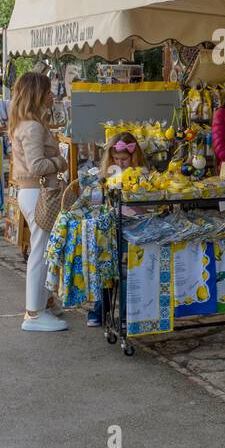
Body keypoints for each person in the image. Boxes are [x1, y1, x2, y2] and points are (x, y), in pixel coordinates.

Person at [9, 72, 69, 333]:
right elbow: (37, 166)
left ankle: (43, 302)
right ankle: (34, 313)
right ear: (37, 94)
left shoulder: (26, 122)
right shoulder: (32, 126)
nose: (52, 95)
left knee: (43, 249)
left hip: (32, 192)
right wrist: (61, 162)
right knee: (41, 251)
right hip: (39, 192)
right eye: (47, 91)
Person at [91, 132, 148, 327]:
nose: (121, 163)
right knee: (106, 269)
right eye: (116, 159)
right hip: (112, 224)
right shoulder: (108, 174)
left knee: (126, 271)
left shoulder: (143, 174)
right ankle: (99, 311)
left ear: (134, 156)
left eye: (124, 159)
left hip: (134, 225)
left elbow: (147, 204)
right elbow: (98, 199)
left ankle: (125, 315)